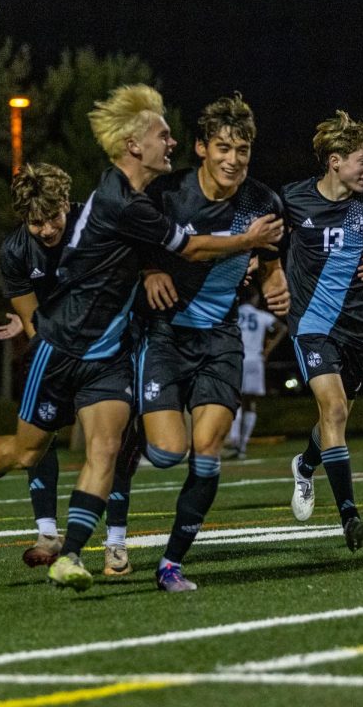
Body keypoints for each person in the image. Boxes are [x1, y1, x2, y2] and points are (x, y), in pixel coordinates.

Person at [0, 84, 283, 592]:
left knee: (104, 450)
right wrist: (247, 242)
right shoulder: (122, 202)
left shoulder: (137, 196)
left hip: (109, 352)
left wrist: (257, 266)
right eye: (162, 135)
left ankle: (72, 555)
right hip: (62, 346)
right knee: (24, 452)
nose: (171, 142)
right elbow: (189, 247)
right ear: (134, 145)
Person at [108, 92, 289, 591]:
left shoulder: (262, 202)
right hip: (164, 332)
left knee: (207, 449)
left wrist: (275, 280)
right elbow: (138, 244)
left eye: (243, 151)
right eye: (224, 148)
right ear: (202, 148)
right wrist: (147, 271)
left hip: (221, 338)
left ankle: (171, 563)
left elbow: (272, 254)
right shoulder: (168, 194)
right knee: (167, 453)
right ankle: (128, 455)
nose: (234, 161)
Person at [283, 111, 363, 552]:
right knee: (332, 411)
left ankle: (305, 465)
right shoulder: (293, 199)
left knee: (336, 418)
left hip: (359, 329)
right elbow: (265, 240)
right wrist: (269, 275)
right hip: (311, 325)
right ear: (335, 161)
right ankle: (350, 518)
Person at [0, 162, 83, 568]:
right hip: (54, 343)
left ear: (67, 202)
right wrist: (38, 326)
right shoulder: (14, 251)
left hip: (106, 341)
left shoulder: (93, 225)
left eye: (52, 218)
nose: (46, 229)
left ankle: (116, 539)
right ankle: (47, 532)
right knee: (36, 441)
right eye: (35, 222)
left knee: (112, 436)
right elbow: (33, 324)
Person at [226, 288, 287, 460]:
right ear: (254, 298)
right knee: (250, 403)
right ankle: (242, 446)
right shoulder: (261, 315)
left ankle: (234, 440)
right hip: (255, 361)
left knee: (235, 400)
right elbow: (282, 328)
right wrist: (267, 350)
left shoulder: (233, 314)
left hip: (236, 359)